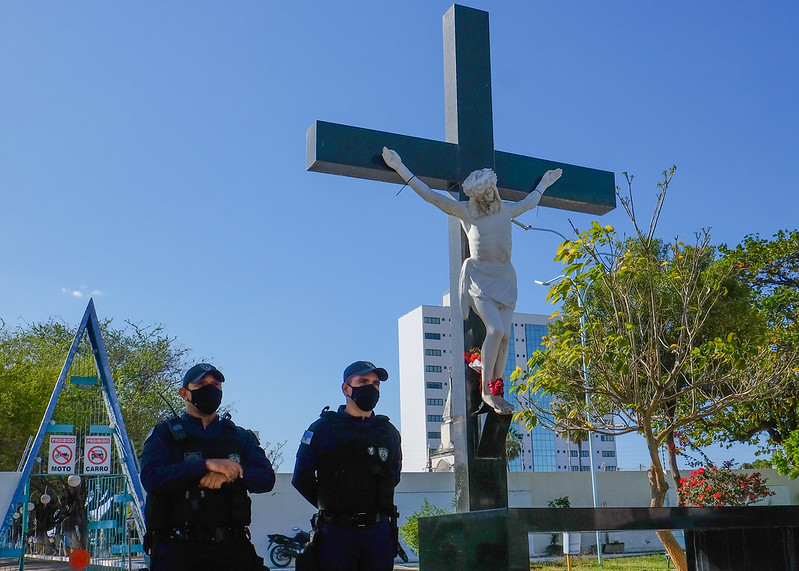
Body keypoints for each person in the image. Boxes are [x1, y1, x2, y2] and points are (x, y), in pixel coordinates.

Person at [383, 147, 562, 415]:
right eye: (483, 194)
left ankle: (497, 386)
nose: (489, 197)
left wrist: (545, 182)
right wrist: (401, 169)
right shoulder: (467, 213)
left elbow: (531, 202)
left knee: (505, 337)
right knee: (495, 330)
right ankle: (487, 389)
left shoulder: (507, 211)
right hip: (480, 276)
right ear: (476, 196)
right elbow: (432, 197)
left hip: (505, 277)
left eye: (491, 191)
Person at [141, 363, 275, 571]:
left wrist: (230, 473)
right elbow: (151, 478)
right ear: (184, 393)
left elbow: (266, 479)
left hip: (231, 549)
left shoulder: (240, 436)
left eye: (216, 384)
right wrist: (204, 466)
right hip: (177, 550)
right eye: (202, 383)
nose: (210, 388)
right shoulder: (164, 434)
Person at [292, 360, 402, 571]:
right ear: (346, 388)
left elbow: (393, 476)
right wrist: (335, 504)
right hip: (336, 533)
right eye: (363, 381)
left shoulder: (387, 432)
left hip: (377, 532)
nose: (371, 387)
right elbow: (301, 478)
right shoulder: (323, 428)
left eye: (376, 383)